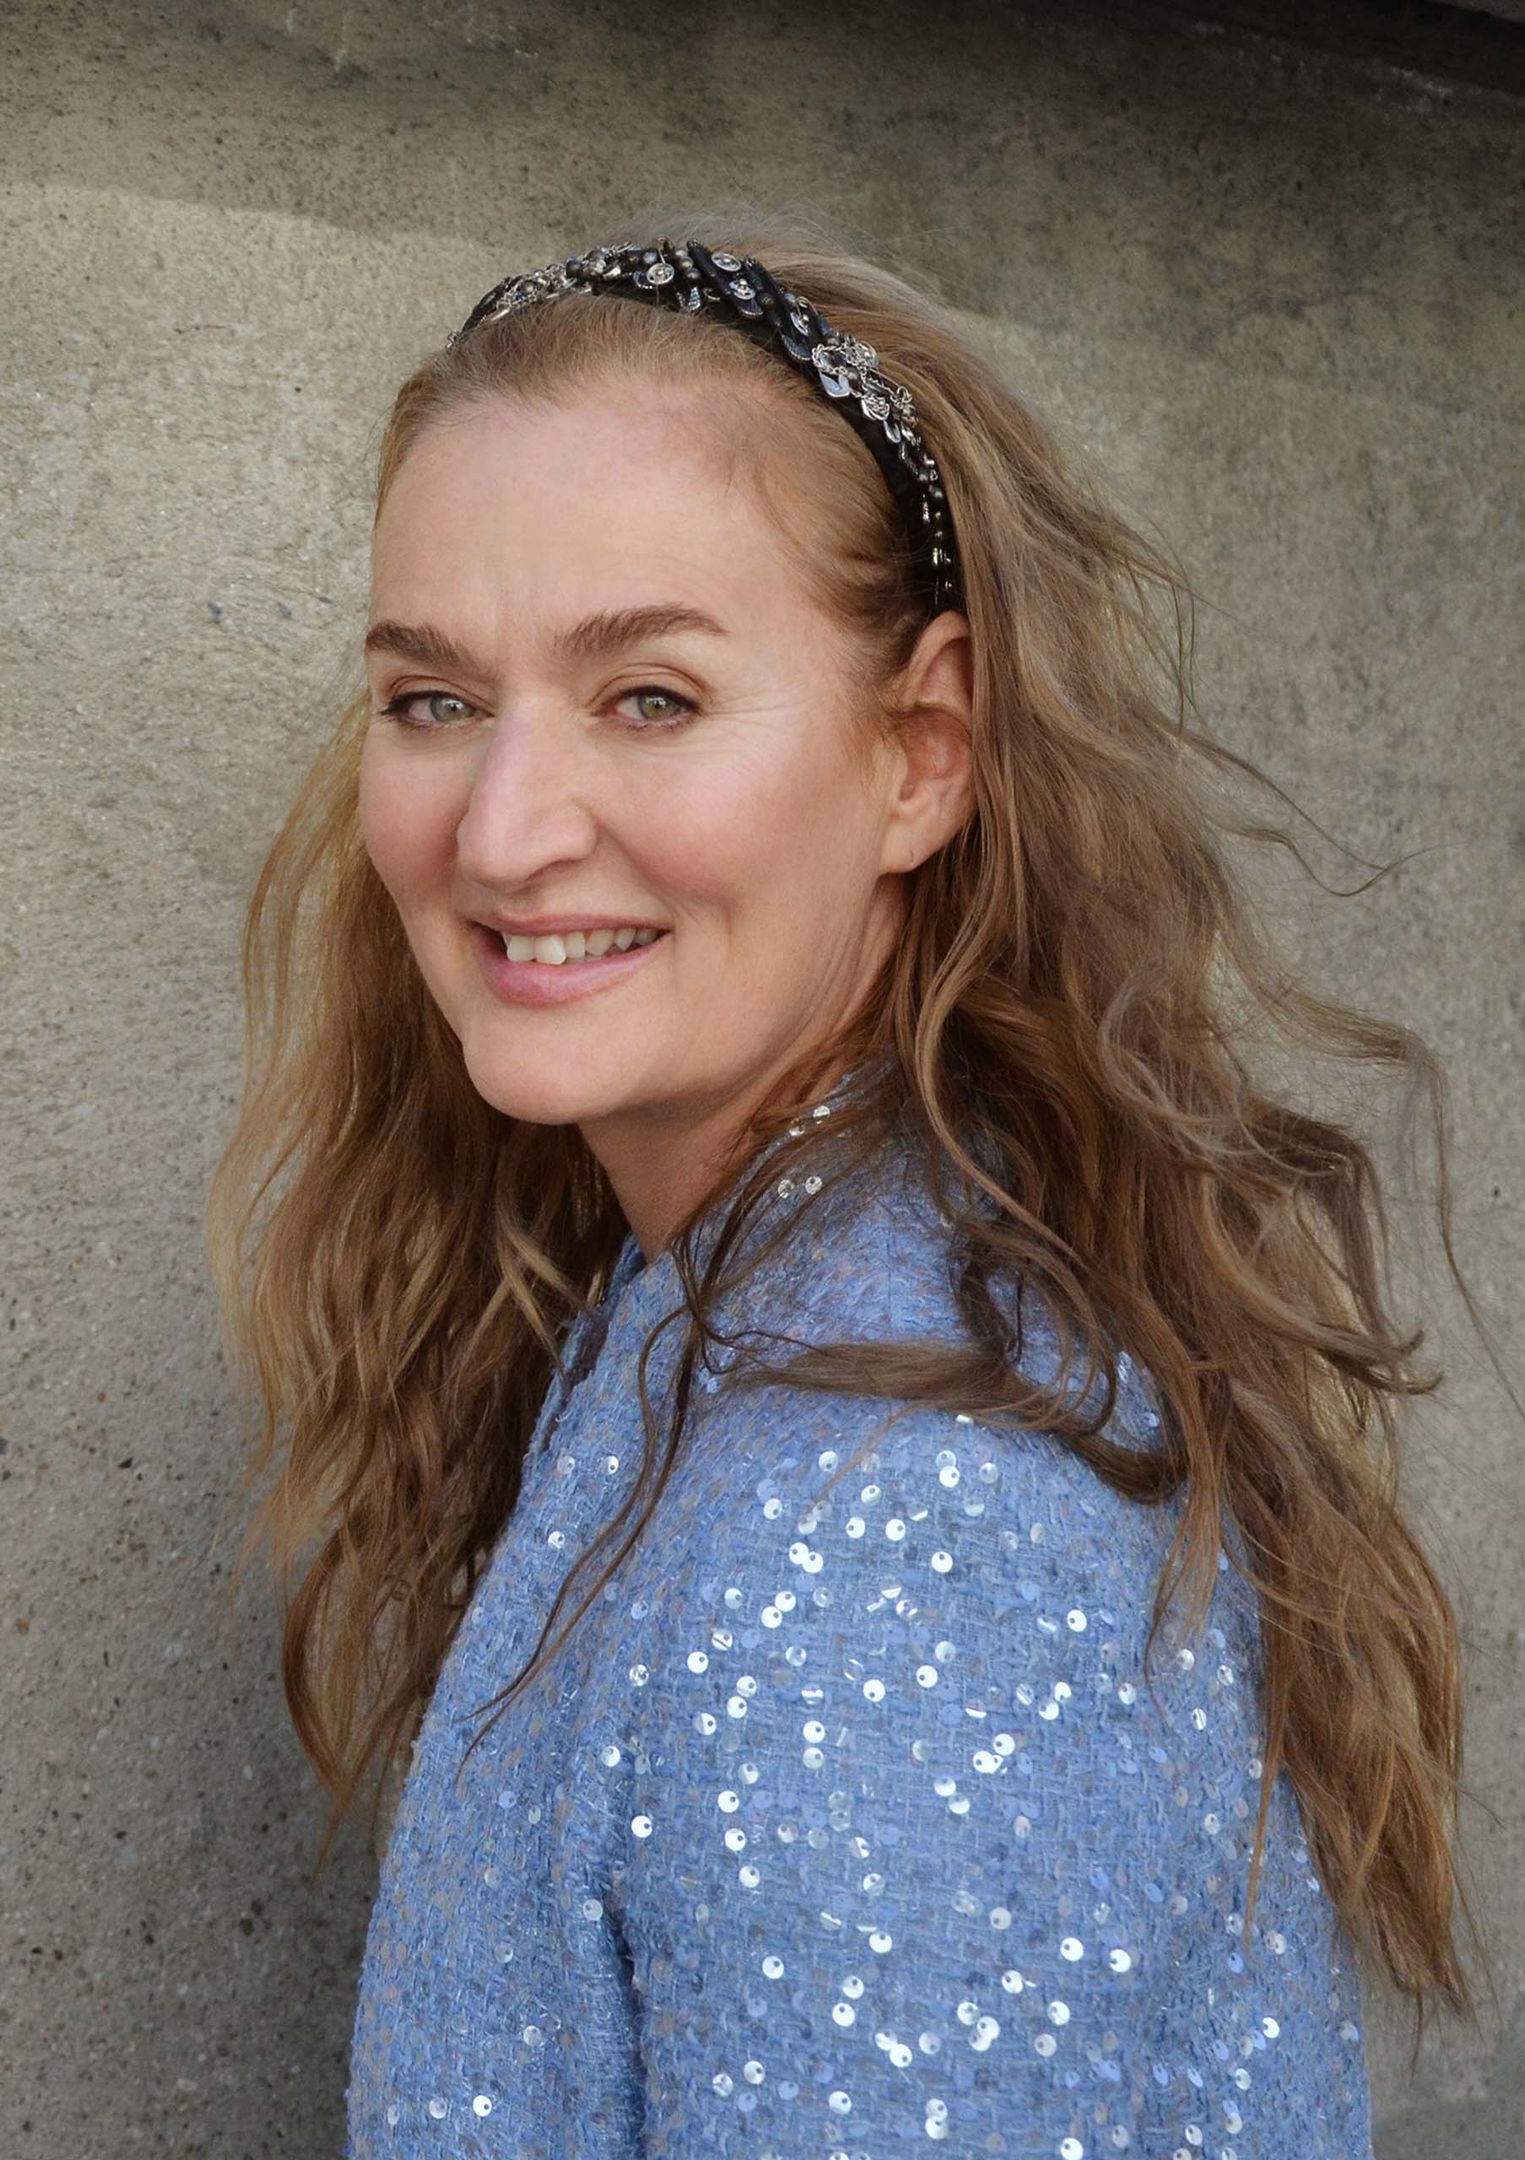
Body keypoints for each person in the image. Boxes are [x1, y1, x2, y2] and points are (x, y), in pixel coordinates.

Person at [208, 212, 1480, 2158]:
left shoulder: (894, 1538)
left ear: (920, 752)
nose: (504, 829)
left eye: (649, 697)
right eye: (435, 700)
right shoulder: (753, 1300)